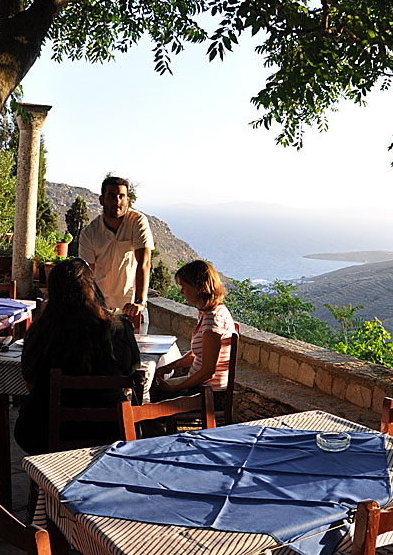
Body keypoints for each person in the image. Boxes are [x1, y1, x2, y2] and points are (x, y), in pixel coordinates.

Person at [14, 258, 141, 455]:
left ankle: (48, 481)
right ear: (92, 289)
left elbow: (29, 380)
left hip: (42, 433)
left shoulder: (40, 332)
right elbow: (129, 372)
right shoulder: (119, 329)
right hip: (110, 431)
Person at [152, 260, 236, 409]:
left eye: (184, 287)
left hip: (209, 394)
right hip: (203, 389)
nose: (181, 292)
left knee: (148, 400)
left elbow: (208, 371)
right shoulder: (208, 313)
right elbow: (201, 353)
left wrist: (174, 389)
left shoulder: (213, 320)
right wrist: (172, 365)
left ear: (198, 288)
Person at [78, 176, 154, 333]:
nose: (117, 202)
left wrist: (139, 302)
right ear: (101, 200)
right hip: (101, 308)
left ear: (127, 200)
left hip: (131, 307)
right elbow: (87, 274)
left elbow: (144, 263)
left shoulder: (137, 222)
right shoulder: (89, 233)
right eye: (112, 196)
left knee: (136, 354)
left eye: (121, 196)